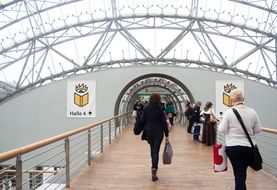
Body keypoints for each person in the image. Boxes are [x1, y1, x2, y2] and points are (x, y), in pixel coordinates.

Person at [218, 89, 262, 190]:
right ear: (243, 99)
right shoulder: (252, 112)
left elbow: (222, 129)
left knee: (239, 175)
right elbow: (258, 130)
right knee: (242, 174)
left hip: (233, 147)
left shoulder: (229, 112)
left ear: (232, 99)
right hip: (248, 148)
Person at [141, 93, 169, 182]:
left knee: (152, 149)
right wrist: (167, 134)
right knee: (155, 151)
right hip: (158, 132)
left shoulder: (145, 109)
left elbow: (142, 120)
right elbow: (164, 123)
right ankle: (154, 169)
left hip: (149, 132)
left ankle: (153, 167)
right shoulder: (160, 109)